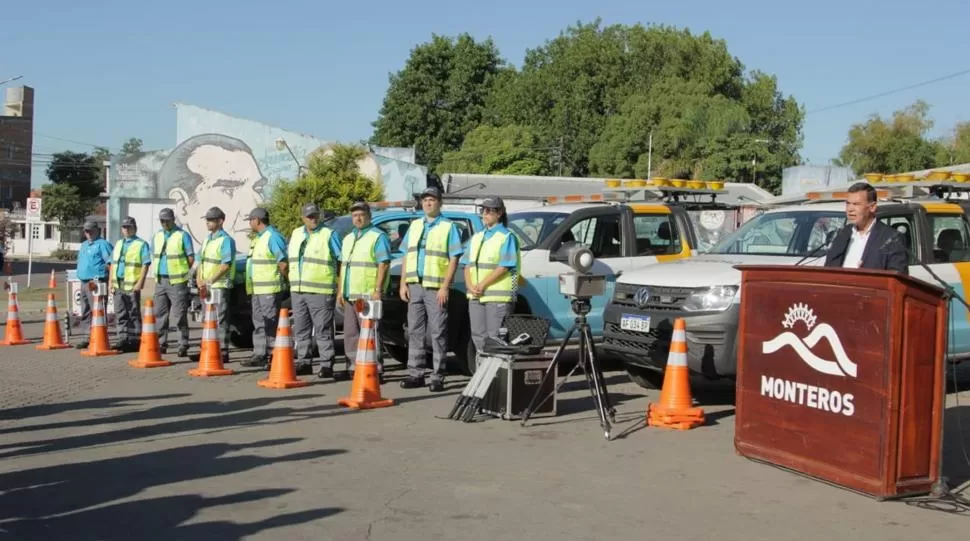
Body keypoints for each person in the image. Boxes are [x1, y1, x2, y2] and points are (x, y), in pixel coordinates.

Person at [398, 187, 464, 392]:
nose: (428, 203)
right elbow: (406, 256)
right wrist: (403, 283)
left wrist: (446, 286)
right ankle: (416, 374)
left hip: (436, 288)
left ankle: (438, 375)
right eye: (425, 200)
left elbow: (454, 257)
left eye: (432, 200)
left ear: (440, 203)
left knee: (437, 332)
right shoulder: (415, 225)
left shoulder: (448, 226)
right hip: (415, 286)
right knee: (415, 332)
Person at [336, 201, 391, 382]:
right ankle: (353, 367)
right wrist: (340, 292)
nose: (357, 218)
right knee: (351, 333)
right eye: (354, 215)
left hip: (367, 294)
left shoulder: (377, 236)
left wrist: (377, 290)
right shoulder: (349, 238)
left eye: (361, 215)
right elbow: (344, 267)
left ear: (368, 216)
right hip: (351, 294)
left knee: (370, 333)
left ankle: (376, 368)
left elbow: (383, 264)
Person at [462, 196, 521, 360]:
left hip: (498, 295)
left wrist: (482, 284)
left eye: (489, 210)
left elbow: (505, 265)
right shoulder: (477, 237)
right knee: (478, 337)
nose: (485, 214)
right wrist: (470, 285)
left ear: (499, 213)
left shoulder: (506, 237)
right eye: (483, 210)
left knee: (495, 339)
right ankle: (483, 376)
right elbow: (467, 265)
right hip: (476, 295)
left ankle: (496, 379)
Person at [287, 203, 342, 378]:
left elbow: (341, 261)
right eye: (309, 216)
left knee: (323, 329)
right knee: (301, 330)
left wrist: (339, 286)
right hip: (298, 290)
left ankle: (326, 364)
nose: (313, 219)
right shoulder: (296, 234)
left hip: (321, 291)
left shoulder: (329, 234)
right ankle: (304, 362)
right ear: (303, 218)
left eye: (315, 216)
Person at [824, 182, 908, 274]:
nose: (850, 209)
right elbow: (828, 271)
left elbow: (897, 281)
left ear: (872, 207)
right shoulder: (841, 234)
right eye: (848, 203)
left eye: (856, 204)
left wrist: (865, 277)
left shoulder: (891, 238)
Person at [243, 207, 288, 368]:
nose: (250, 223)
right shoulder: (258, 238)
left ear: (257, 220)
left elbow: (283, 263)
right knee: (259, 322)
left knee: (271, 323)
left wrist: (286, 281)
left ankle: (273, 355)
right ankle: (260, 353)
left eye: (250, 220)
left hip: (269, 289)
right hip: (257, 289)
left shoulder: (272, 237)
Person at [152, 208, 195, 357]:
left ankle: (183, 343)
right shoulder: (157, 236)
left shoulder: (182, 235)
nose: (164, 223)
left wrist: (183, 273)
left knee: (179, 314)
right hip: (160, 280)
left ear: (173, 220)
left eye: (166, 220)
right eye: (162, 220)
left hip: (177, 281)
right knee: (160, 314)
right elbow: (155, 256)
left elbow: (190, 257)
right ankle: (161, 343)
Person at [197, 207, 237, 364]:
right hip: (206, 286)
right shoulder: (207, 239)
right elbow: (201, 261)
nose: (208, 222)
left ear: (220, 221)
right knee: (207, 319)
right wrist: (200, 279)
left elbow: (225, 265)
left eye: (211, 220)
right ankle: (207, 349)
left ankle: (222, 351)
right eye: (207, 219)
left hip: (219, 285)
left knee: (220, 319)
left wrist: (209, 281)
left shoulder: (226, 240)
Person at [108, 217, 151, 352]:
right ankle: (123, 339)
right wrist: (110, 282)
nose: (126, 229)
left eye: (129, 227)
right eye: (124, 227)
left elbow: (145, 264)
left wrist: (141, 281)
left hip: (132, 284)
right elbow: (113, 264)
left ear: (135, 228)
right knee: (120, 312)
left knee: (133, 313)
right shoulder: (119, 243)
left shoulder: (141, 244)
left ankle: (135, 340)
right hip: (118, 283)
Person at [74, 221, 113, 349]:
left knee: (97, 310)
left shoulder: (103, 244)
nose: (88, 233)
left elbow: (110, 263)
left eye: (91, 231)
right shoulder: (84, 245)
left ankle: (100, 336)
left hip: (96, 282)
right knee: (85, 311)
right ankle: (87, 337)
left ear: (98, 231)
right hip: (84, 281)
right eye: (86, 231)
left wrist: (110, 280)